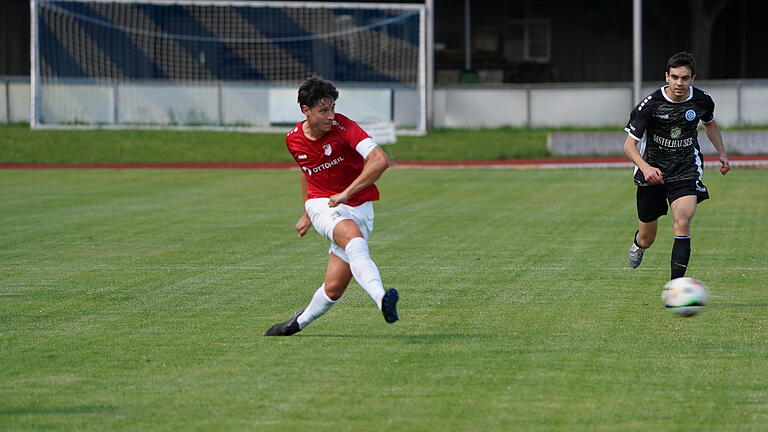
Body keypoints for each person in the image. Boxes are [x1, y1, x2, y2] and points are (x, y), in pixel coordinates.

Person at [264, 76, 399, 336]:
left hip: (358, 206)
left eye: (333, 108)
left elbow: (379, 160)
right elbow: (308, 173)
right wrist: (307, 212)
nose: (331, 116)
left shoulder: (345, 127)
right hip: (323, 204)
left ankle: (296, 324)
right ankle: (382, 298)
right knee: (352, 236)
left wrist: (347, 192)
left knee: (334, 288)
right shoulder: (293, 139)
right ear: (306, 110)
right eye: (323, 110)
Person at [624, 51, 730, 280]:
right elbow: (629, 146)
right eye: (674, 77)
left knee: (682, 221)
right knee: (647, 238)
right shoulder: (650, 105)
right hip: (651, 173)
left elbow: (710, 124)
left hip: (685, 170)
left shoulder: (702, 100)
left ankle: (676, 287)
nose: (679, 83)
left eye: (684, 78)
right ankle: (638, 244)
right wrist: (646, 168)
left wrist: (722, 153)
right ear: (667, 77)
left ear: (692, 79)